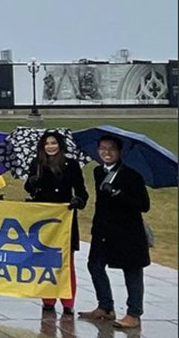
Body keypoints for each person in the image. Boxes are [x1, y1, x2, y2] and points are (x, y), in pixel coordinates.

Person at [79, 134, 150, 330]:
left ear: (119, 152)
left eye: (111, 149)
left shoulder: (132, 175)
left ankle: (134, 314)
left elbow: (144, 205)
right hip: (103, 230)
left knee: (132, 271)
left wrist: (118, 194)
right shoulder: (97, 172)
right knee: (94, 265)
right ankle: (105, 307)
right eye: (102, 148)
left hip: (127, 232)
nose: (106, 152)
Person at [25, 131, 88, 315]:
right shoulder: (37, 164)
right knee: (46, 260)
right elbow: (30, 190)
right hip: (43, 219)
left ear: (60, 145)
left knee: (67, 262)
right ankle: (48, 300)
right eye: (46, 143)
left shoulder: (72, 165)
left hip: (65, 219)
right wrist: (31, 182)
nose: (50, 146)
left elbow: (82, 192)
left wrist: (79, 201)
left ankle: (68, 301)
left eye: (53, 143)